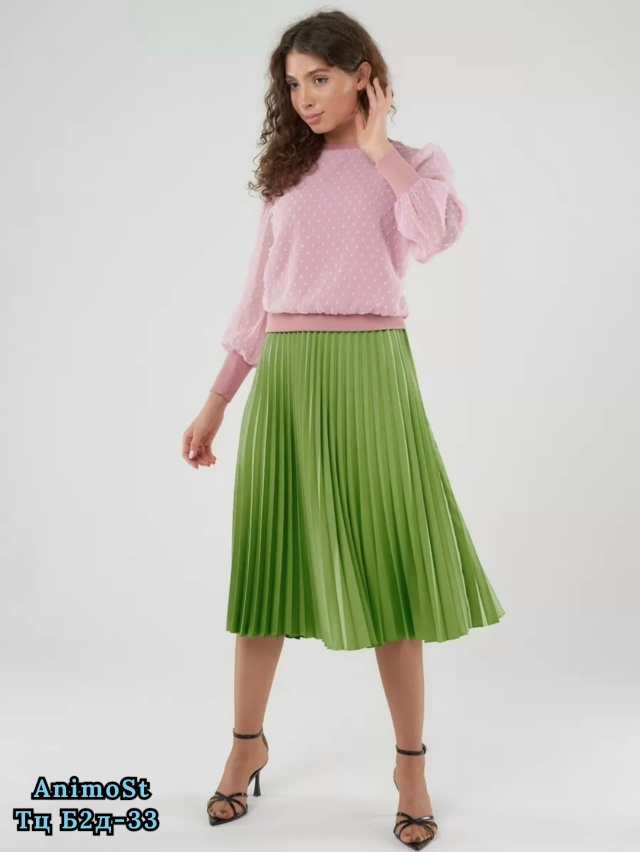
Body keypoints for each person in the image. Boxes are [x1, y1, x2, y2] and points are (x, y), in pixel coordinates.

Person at [181, 9, 505, 850]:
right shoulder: (285, 173)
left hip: (371, 376)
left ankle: (410, 767)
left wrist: (380, 150)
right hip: (287, 379)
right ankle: (245, 745)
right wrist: (218, 398)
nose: (304, 98)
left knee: (391, 572)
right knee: (266, 569)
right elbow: (257, 295)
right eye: (293, 84)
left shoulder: (414, 165)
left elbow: (434, 236)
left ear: (364, 75)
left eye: (319, 79)